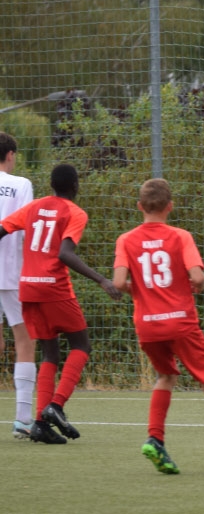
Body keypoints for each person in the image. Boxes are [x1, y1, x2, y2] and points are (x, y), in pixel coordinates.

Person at [112, 178, 204, 475]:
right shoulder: (180, 236)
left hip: (148, 325)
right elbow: (198, 277)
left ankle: (155, 439)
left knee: (166, 376)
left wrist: (137, 288)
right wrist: (197, 285)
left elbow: (117, 283)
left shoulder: (126, 239)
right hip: (180, 321)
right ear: (170, 206)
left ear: (140, 206)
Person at [0, 163, 121, 445]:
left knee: (49, 353)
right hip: (53, 287)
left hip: (27, 287)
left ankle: (40, 424)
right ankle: (56, 404)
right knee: (81, 345)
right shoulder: (75, 212)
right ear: (76, 186)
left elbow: (2, 229)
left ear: (52, 185)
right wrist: (102, 280)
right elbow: (65, 253)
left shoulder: (34, 207)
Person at [0, 133, 36, 439]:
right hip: (12, 271)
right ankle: (23, 420)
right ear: (10, 154)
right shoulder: (21, 184)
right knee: (24, 339)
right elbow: (26, 228)